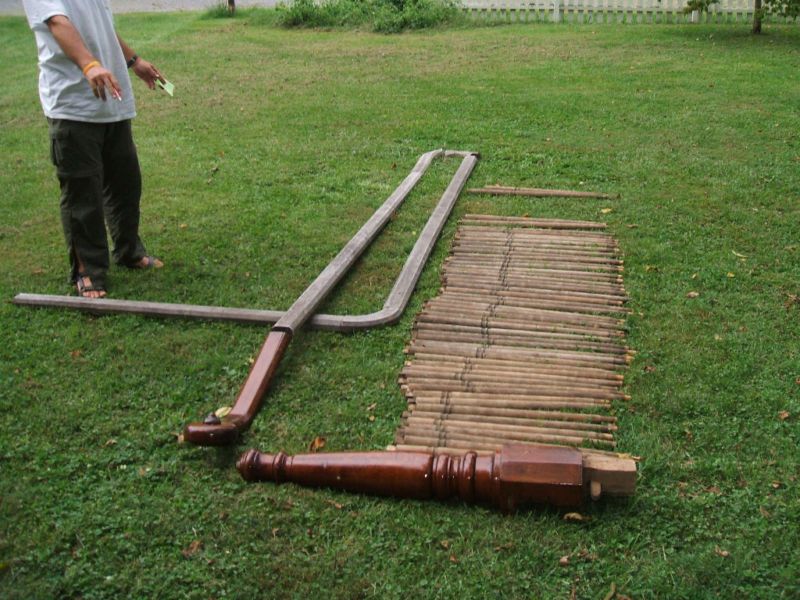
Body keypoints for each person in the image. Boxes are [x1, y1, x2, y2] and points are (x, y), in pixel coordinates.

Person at [22, 0, 166, 299]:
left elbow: (101, 27)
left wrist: (133, 60)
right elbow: (58, 23)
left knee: (126, 185)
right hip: (73, 104)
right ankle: (89, 271)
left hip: (112, 101)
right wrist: (89, 64)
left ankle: (129, 252)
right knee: (82, 194)